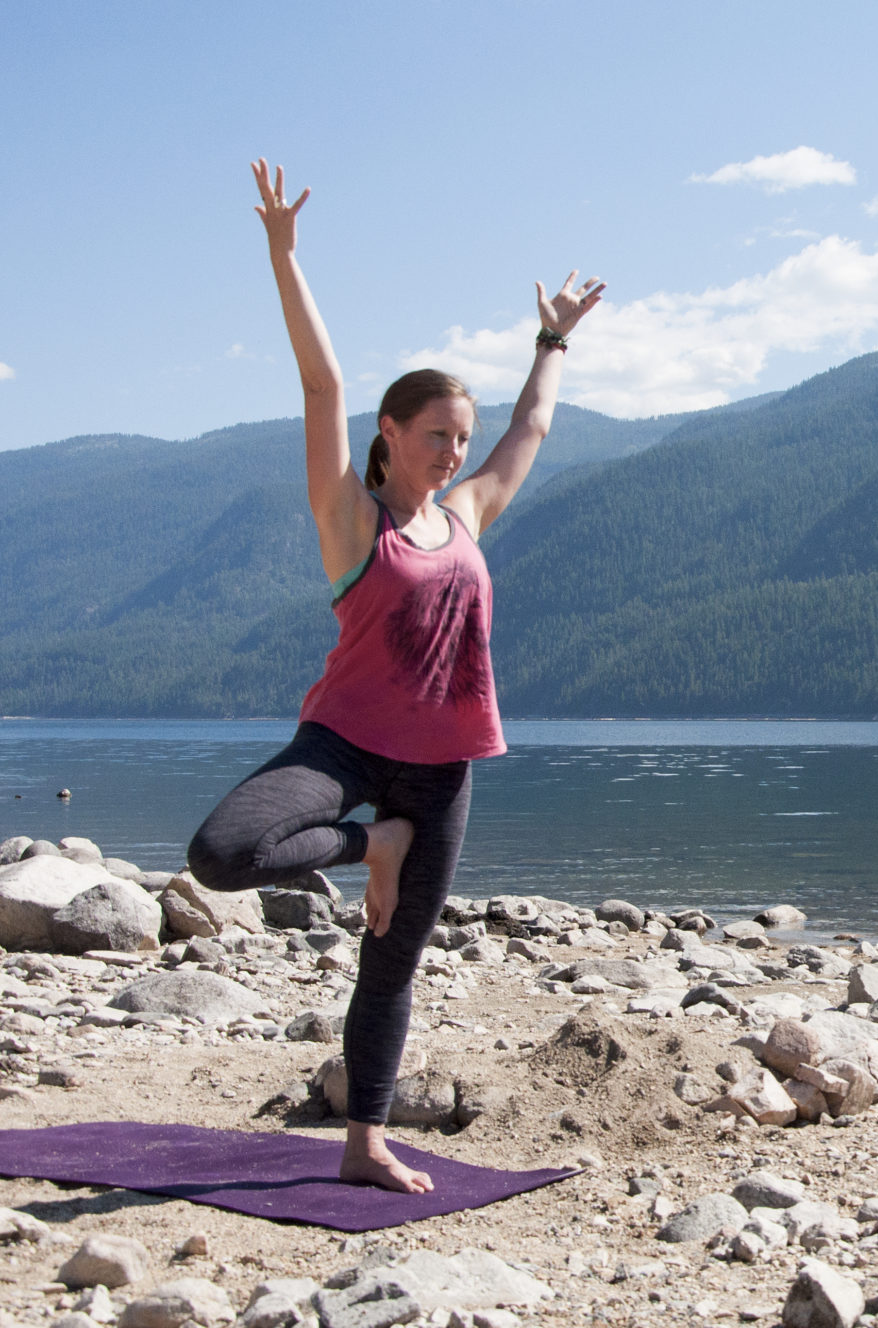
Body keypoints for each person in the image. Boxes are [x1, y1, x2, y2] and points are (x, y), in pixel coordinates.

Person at [185, 159, 604, 1193]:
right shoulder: (351, 520)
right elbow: (320, 385)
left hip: (441, 765)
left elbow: (531, 428)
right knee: (221, 853)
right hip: (340, 745)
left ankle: (364, 1138)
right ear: (390, 432)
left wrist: (550, 343)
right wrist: (284, 254)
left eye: (460, 439)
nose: (453, 454)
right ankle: (373, 844)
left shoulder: (466, 514)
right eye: (435, 437)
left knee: (391, 958)